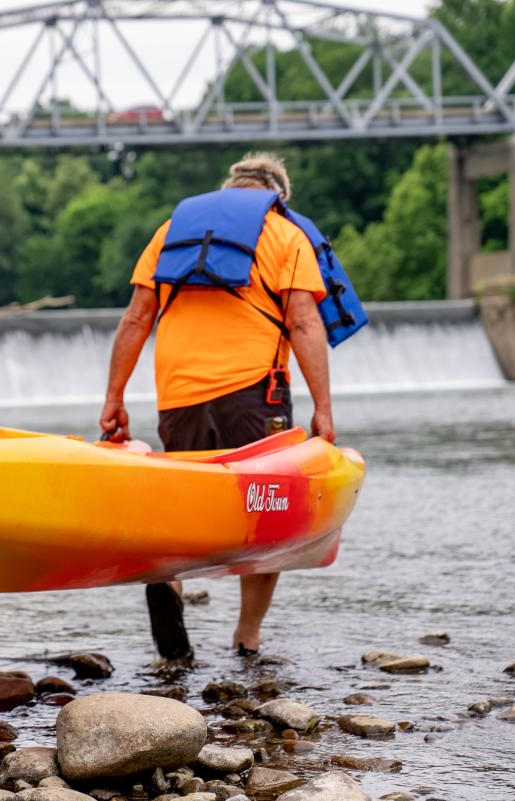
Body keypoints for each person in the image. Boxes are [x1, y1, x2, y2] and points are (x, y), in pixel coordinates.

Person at [99, 152, 335, 662]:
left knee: (184, 511)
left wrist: (114, 399)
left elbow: (137, 318)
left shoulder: (171, 231)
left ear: (228, 189)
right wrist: (323, 408)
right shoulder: (285, 235)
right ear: (278, 197)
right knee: (267, 512)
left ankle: (171, 589)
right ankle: (247, 637)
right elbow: (304, 322)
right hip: (253, 392)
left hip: (179, 397)